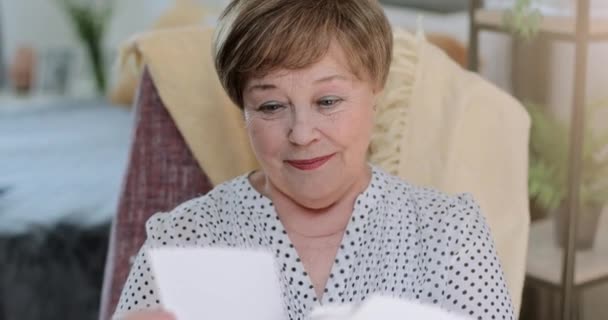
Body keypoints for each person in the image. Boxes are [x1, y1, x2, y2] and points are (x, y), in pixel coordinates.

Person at [113, 1, 515, 319]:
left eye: (328, 101)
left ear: (376, 91)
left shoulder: (450, 233)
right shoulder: (182, 240)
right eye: (271, 106)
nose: (302, 134)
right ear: (244, 111)